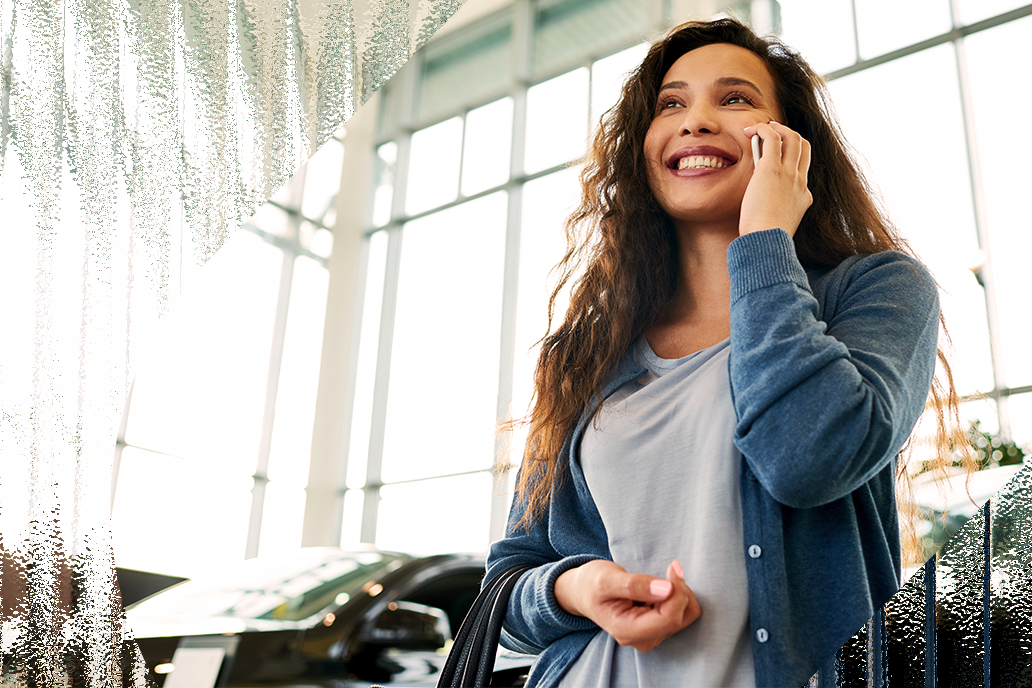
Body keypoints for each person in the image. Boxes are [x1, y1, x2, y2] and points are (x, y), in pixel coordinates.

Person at [484, 16, 965, 688]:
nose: (696, 121)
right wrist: (576, 586)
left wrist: (764, 237)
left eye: (735, 100)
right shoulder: (588, 350)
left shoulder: (878, 289)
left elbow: (810, 457)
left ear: (792, 143)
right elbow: (508, 583)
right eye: (671, 105)